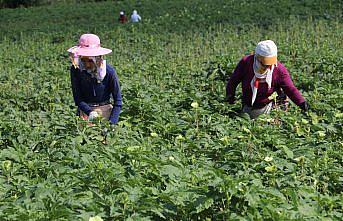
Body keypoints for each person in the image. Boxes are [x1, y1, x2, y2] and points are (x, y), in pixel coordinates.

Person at [226, 40, 309, 119]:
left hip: (270, 103)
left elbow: (290, 89)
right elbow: (233, 82)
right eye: (265, 64)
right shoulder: (246, 63)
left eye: (270, 64)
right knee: (248, 119)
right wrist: (230, 99)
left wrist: (301, 102)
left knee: (273, 123)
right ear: (257, 58)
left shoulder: (279, 69)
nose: (268, 67)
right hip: (249, 104)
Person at [67, 33, 122, 124]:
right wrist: (90, 112)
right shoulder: (76, 70)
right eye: (83, 60)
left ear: (98, 58)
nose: (87, 64)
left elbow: (118, 101)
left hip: (105, 112)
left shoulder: (109, 72)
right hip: (85, 112)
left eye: (90, 60)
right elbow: (78, 98)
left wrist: (112, 124)